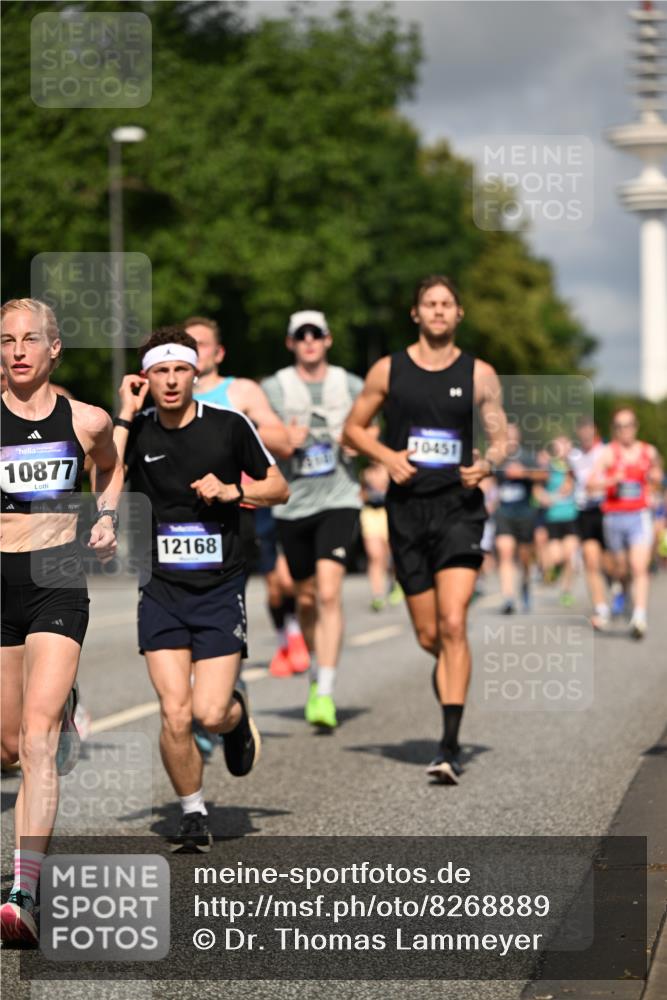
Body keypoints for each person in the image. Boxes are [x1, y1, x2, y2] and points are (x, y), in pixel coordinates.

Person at [113, 326, 289, 852]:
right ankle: (192, 812)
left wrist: (234, 490)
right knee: (175, 711)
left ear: (196, 373)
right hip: (161, 586)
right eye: (159, 372)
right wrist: (124, 413)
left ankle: (236, 720)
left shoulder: (230, 426)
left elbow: (280, 487)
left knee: (208, 714)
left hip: (219, 587)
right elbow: (104, 472)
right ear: (146, 378)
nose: (170, 381)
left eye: (179, 370)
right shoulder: (137, 430)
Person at [343, 275, 507, 784]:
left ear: (459, 314)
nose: (438, 311)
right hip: (407, 513)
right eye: (429, 304)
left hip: (459, 507)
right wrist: (387, 456)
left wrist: (490, 462)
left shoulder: (480, 373)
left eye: (447, 304)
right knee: (430, 634)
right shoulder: (388, 369)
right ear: (416, 314)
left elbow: (502, 436)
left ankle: (449, 745)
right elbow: (350, 430)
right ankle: (454, 670)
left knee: (454, 623)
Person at [0, 298, 122, 944]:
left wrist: (102, 516)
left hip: (54, 579)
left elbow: (110, 467)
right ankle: (66, 700)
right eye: (6, 341)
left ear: (54, 350)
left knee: (37, 742)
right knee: (7, 744)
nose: (17, 350)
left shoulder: (86, 419)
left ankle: (23, 891)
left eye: (30, 340)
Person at [184, 316, 309, 678]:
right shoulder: (167, 392)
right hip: (182, 514)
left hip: (238, 508)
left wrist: (240, 427)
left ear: (218, 352)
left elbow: (282, 443)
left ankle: (232, 686)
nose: (194, 351)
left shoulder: (240, 393)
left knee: (266, 587)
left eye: (202, 344)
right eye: (186, 343)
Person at [262, 310, 364, 729]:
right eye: (300, 335)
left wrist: (358, 446)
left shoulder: (351, 384)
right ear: (290, 343)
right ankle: (313, 671)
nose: (309, 341)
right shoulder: (274, 387)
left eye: (316, 334)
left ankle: (325, 689)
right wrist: (284, 441)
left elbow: (369, 430)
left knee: (328, 593)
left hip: (340, 499)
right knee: (304, 597)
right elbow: (256, 433)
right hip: (293, 504)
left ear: (328, 339)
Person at [590, 407, 663, 639]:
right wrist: (611, 480)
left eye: (629, 425)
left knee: (639, 566)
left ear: (636, 426)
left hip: (639, 515)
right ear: (615, 429)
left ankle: (639, 617)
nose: (625, 430)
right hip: (614, 517)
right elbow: (590, 484)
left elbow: (658, 476)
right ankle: (622, 587)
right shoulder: (609, 454)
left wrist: (656, 481)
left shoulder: (648, 452)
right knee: (621, 568)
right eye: (620, 426)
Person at [493, 422, 547, 614]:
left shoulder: (527, 456)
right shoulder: (497, 458)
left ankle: (524, 585)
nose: (509, 439)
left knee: (524, 557)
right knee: (505, 551)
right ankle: (508, 598)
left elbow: (543, 476)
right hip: (504, 512)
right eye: (506, 435)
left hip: (525, 512)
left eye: (512, 435)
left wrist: (523, 473)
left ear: (518, 437)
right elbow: (487, 477)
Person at [569, 417, 610, 630]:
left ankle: (618, 585)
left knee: (612, 563)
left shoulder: (606, 452)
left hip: (606, 510)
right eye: (581, 428)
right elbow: (569, 479)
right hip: (584, 512)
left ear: (595, 430)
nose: (585, 432)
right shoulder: (573, 456)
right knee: (591, 560)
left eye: (589, 428)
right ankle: (601, 608)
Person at [534, 436, 580, 607]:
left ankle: (566, 591)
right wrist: (544, 498)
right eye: (559, 444)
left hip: (571, 517)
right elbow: (537, 490)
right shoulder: (548, 467)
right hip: (553, 517)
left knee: (570, 556)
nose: (563, 447)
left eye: (566, 444)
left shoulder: (573, 467)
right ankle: (552, 571)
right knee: (556, 556)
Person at [360, 461, 403, 611]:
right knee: (375, 557)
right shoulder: (365, 473)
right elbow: (361, 494)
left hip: (388, 513)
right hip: (371, 515)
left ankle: (397, 584)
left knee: (393, 555)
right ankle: (377, 594)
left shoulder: (390, 468)